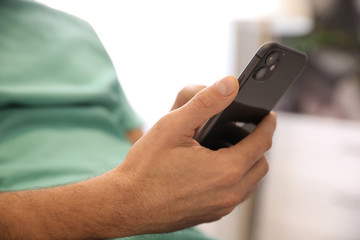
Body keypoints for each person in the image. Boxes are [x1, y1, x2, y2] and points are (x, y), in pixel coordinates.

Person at [0, 1, 276, 239]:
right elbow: (135, 190)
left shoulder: (76, 30)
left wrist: (184, 154)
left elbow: (135, 150)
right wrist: (126, 202)